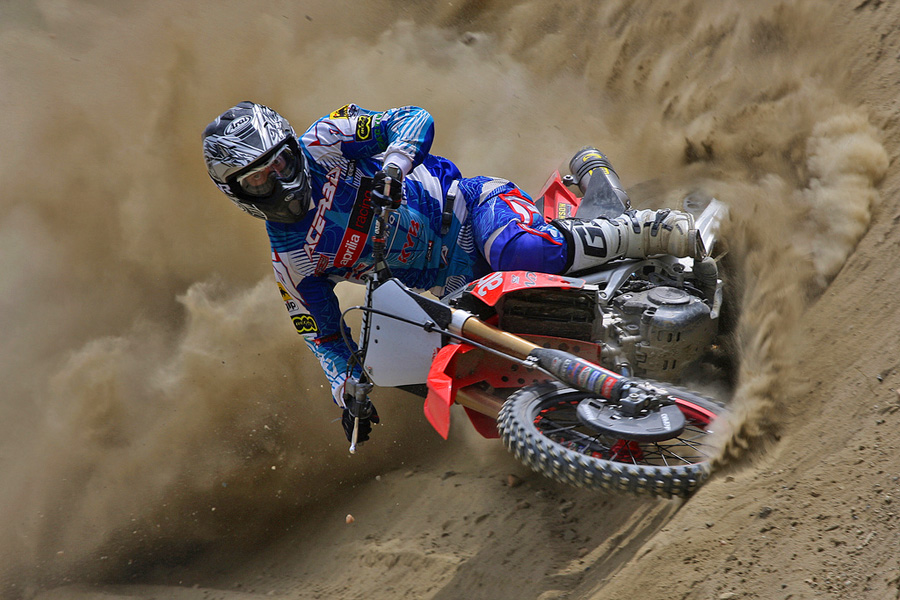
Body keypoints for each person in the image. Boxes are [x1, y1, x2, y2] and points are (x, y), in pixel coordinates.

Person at [202, 101, 704, 443]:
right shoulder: (291, 263)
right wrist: (348, 391)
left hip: (471, 210)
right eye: (258, 180)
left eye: (280, 165)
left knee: (518, 251)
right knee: (477, 365)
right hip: (451, 287)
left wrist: (394, 166)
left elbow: (412, 118)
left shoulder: (328, 138)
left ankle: (649, 230)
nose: (279, 183)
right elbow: (324, 338)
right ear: (237, 193)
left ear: (293, 149)